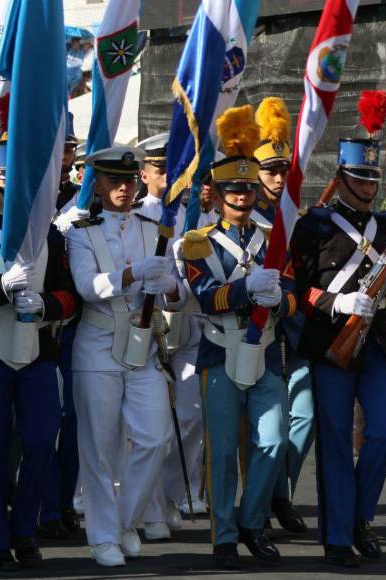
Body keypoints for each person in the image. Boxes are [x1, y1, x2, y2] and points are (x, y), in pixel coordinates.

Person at [290, 107, 386, 568]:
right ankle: (338, 536)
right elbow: (298, 289)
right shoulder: (313, 225)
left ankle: (359, 516)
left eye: (373, 179)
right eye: (360, 178)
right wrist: (337, 303)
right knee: (336, 439)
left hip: (375, 342)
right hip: (330, 343)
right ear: (340, 179)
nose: (368, 187)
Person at [181, 105, 295, 569]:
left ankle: (251, 521)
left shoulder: (274, 237)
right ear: (220, 193)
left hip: (265, 351)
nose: (243, 198)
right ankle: (224, 536)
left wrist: (279, 300)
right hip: (220, 350)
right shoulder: (199, 242)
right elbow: (206, 297)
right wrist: (248, 289)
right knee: (224, 451)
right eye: (233, 190)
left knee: (274, 439)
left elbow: (292, 296)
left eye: (248, 189)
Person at [0, 137, 78, 571]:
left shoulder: (49, 235)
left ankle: (24, 528)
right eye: (4, 179)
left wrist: (46, 305)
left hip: (38, 351)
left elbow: (71, 296)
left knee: (41, 440)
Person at [66, 144, 182, 566]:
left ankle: (125, 521)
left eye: (130, 181)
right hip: (98, 344)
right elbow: (87, 286)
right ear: (96, 184)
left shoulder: (155, 229)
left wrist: (170, 287)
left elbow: (178, 297)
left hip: (143, 344)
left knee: (155, 437)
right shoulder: (80, 232)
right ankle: (102, 538)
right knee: (98, 447)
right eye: (114, 180)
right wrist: (133, 274)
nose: (124, 188)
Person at [135, 133, 207, 541]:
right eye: (161, 169)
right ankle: (147, 507)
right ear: (144, 174)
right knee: (150, 425)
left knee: (192, 416)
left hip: (189, 323)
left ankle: (169, 497)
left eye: (175, 169)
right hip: (148, 328)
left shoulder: (196, 213)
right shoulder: (136, 216)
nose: (169, 176)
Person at [252, 97, 312, 537]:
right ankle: (261, 502)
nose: (277, 178)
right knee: (265, 425)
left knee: (304, 416)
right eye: (269, 170)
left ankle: (280, 492)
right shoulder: (245, 218)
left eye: (282, 170)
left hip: (299, 329)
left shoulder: (297, 217)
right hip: (263, 332)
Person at [39, 117, 83, 541]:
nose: (62, 156)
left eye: (68, 148)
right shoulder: (23, 195)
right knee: (35, 424)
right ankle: (40, 502)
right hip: (26, 324)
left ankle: (62, 501)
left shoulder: (84, 202)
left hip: (72, 325)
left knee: (71, 420)